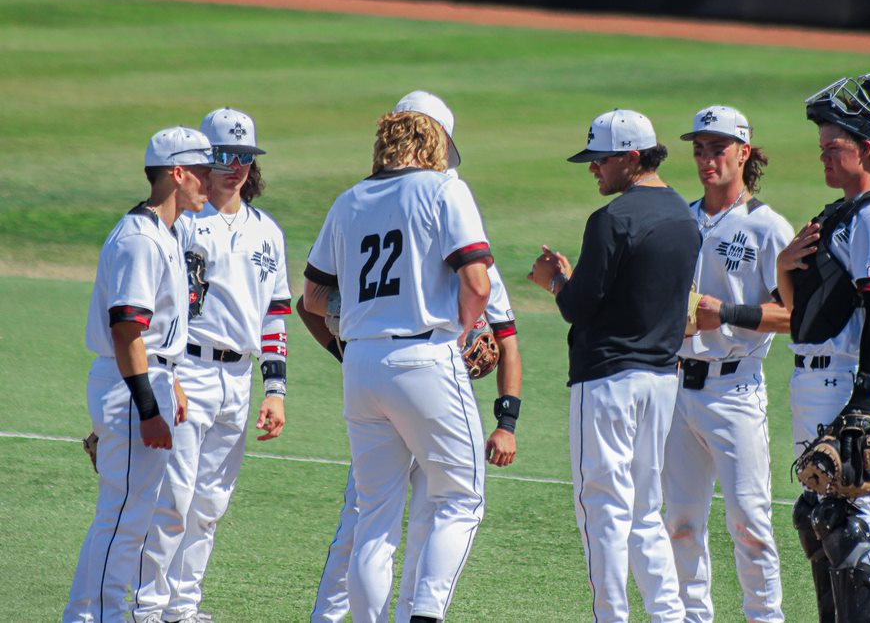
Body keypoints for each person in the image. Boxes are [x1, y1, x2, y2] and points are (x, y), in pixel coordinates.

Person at [305, 92, 521, 623]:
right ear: (437, 140)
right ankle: (424, 615)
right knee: (460, 500)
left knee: (374, 518)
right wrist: (463, 331)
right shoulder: (446, 189)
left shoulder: (349, 199)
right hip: (426, 357)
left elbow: (311, 299)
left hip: (360, 367)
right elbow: (475, 281)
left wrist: (357, 339)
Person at [528, 109, 700, 623]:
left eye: (599, 160)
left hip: (606, 382)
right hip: (661, 381)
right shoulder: (684, 218)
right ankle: (670, 616)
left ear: (631, 158)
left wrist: (554, 280)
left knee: (601, 511)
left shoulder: (611, 219)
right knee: (646, 511)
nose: (592, 169)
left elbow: (578, 306)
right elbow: (640, 295)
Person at [132, 108, 291, 623]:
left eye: (245, 157)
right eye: (225, 156)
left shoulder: (268, 231)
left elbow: (274, 315)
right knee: (173, 499)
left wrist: (276, 388)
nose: (236, 167)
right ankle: (148, 607)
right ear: (203, 159)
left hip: (239, 379)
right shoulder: (183, 224)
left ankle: (183, 607)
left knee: (210, 505)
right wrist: (168, 374)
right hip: (188, 372)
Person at [64, 126, 225, 622]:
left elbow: (154, 331)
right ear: (176, 174)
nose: (210, 181)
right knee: (126, 521)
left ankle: (83, 615)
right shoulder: (140, 240)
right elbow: (127, 331)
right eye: (201, 171)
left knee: (121, 516)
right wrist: (149, 409)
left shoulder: (164, 233)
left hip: (141, 379)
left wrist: (169, 376)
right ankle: (108, 615)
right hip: (129, 386)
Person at [776, 74, 870, 623]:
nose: (824, 159)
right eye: (821, 150)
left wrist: (862, 401)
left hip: (845, 382)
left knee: (845, 521)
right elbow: (795, 312)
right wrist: (783, 266)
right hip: (813, 381)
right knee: (816, 512)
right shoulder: (839, 213)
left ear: (864, 148)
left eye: (834, 149)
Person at [660, 105, 793, 623]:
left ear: (744, 152)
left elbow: (794, 316)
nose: (706, 158)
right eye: (699, 149)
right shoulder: (680, 219)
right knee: (681, 524)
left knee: (749, 524)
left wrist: (727, 315)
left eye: (717, 148)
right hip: (675, 389)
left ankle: (765, 618)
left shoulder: (768, 228)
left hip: (734, 393)